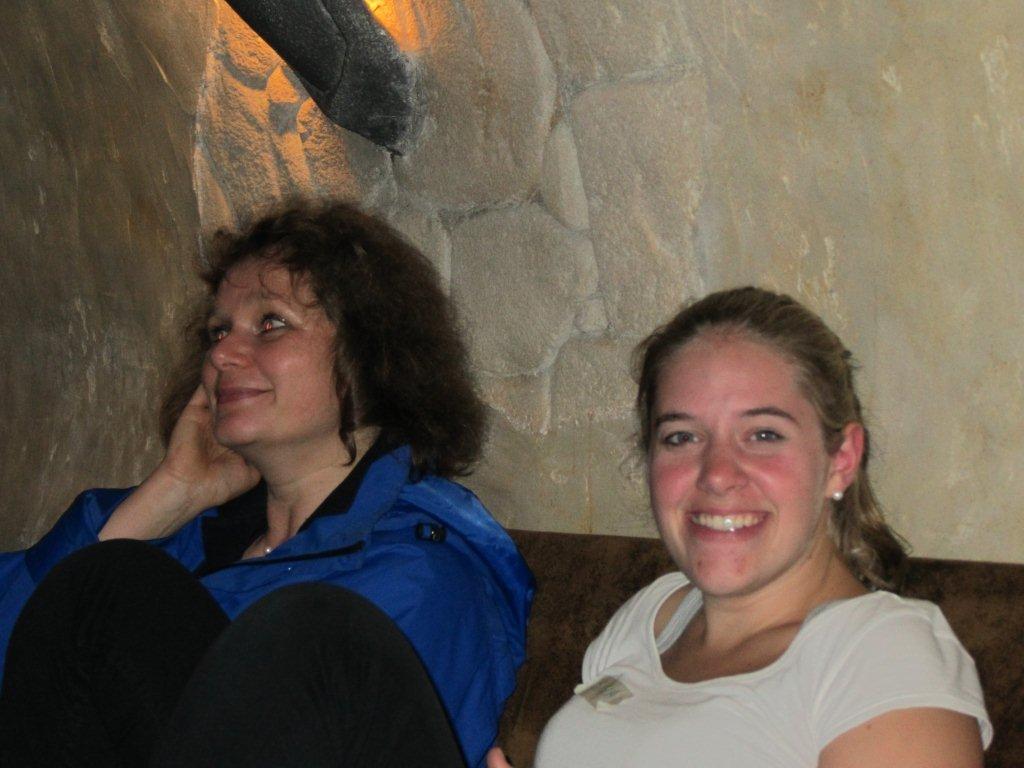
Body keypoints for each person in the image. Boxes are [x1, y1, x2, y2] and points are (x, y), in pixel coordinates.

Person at [0, 202, 533, 768]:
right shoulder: (177, 547)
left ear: (370, 353)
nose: (222, 354)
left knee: (297, 624)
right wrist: (164, 498)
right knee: (110, 581)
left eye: (271, 323)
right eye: (218, 331)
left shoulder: (420, 574)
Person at [489, 287, 991, 768]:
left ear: (841, 459)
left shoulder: (881, 655)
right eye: (681, 437)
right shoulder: (652, 617)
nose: (717, 473)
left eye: (763, 434)